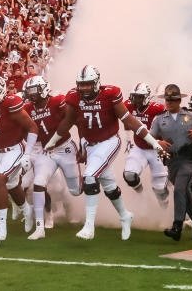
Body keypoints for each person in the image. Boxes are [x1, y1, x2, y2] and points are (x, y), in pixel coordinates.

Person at [43, 64, 161, 240]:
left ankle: (89, 227)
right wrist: (51, 143)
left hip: (109, 142)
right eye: (81, 85)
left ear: (97, 83)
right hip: (90, 145)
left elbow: (130, 121)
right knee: (109, 185)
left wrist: (154, 142)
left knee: (90, 177)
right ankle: (125, 215)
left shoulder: (110, 95)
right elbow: (67, 123)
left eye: (88, 84)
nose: (84, 88)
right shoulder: (74, 98)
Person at [0, 74, 37, 241]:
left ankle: (1, 226)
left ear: (1, 92)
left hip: (15, 148)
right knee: (11, 185)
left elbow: (32, 127)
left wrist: (27, 154)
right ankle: (27, 210)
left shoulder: (11, 104)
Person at [22, 75, 80, 240]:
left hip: (65, 147)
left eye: (35, 90)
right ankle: (40, 226)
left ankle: (70, 207)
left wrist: (83, 142)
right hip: (45, 150)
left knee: (73, 189)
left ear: (44, 89)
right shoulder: (28, 108)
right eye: (30, 91)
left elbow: (73, 120)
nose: (32, 94)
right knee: (39, 184)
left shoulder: (57, 101)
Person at [150, 84, 192, 241]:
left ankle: (177, 226)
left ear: (179, 100)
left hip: (188, 158)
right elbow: (151, 136)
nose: (169, 103)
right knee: (184, 191)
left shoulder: (190, 114)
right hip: (171, 160)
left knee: (179, 189)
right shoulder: (159, 118)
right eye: (167, 100)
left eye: (173, 100)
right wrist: (158, 143)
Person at [122, 82, 169, 206]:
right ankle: (142, 196)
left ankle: (164, 212)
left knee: (159, 189)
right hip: (139, 148)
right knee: (129, 175)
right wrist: (128, 139)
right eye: (135, 96)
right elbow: (126, 122)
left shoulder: (158, 109)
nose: (136, 100)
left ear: (147, 97)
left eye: (140, 97)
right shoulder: (128, 105)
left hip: (156, 151)